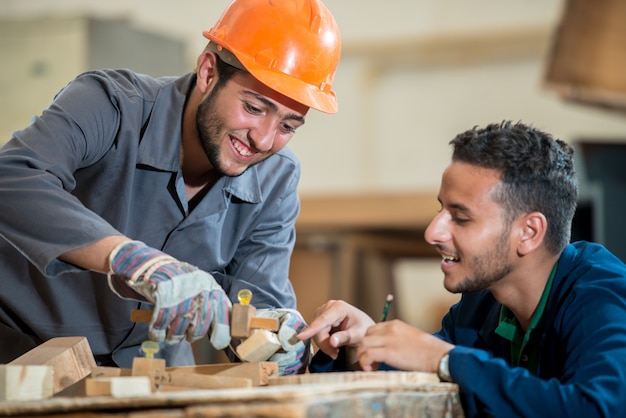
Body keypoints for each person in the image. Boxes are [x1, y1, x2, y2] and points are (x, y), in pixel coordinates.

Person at [0, 0, 341, 375]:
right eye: (254, 108)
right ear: (209, 73)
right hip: (23, 353)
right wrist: (129, 260)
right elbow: (13, 177)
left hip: (153, 370)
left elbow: (256, 303)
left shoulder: (277, 178)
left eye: (288, 127)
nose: (263, 139)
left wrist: (279, 342)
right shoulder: (110, 104)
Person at [298, 121, 626, 416]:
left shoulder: (601, 296)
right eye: (441, 210)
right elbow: (415, 380)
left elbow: (597, 409)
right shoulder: (481, 304)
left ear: (528, 232)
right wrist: (361, 342)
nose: (432, 232)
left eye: (461, 217)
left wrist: (445, 359)